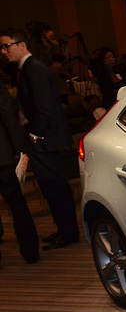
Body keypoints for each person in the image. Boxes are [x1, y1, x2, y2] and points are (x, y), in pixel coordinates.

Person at [0, 29, 79, 250]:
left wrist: (34, 137)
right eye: (1, 48)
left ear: (22, 45)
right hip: (43, 140)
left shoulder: (34, 69)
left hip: (45, 140)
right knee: (52, 189)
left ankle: (68, 233)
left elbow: (45, 109)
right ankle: (63, 231)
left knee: (56, 189)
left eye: (6, 46)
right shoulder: (27, 69)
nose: (4, 51)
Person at [0, 75, 40, 264]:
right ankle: (30, 252)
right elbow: (8, 115)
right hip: (3, 155)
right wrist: (19, 149)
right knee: (17, 205)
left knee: (18, 205)